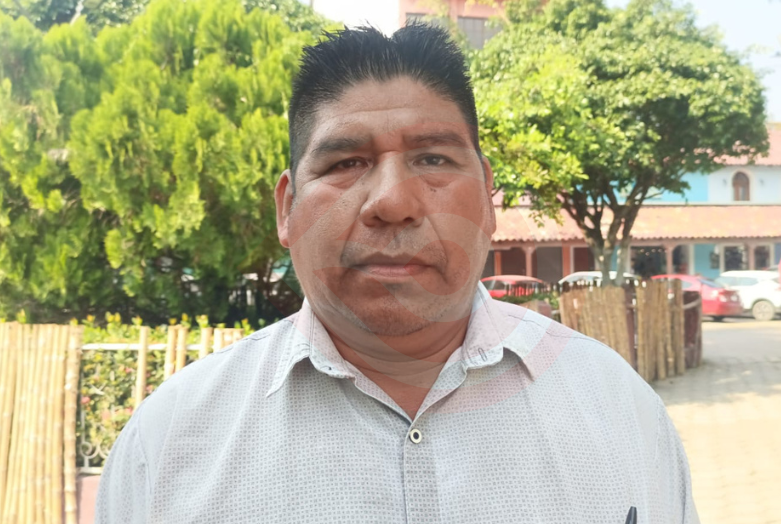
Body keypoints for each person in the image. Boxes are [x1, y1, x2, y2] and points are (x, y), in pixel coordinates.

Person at [95, 24, 699, 523]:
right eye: (346, 162)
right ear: (287, 208)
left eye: (433, 158)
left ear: (489, 198)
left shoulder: (620, 410)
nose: (392, 201)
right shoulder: (169, 443)